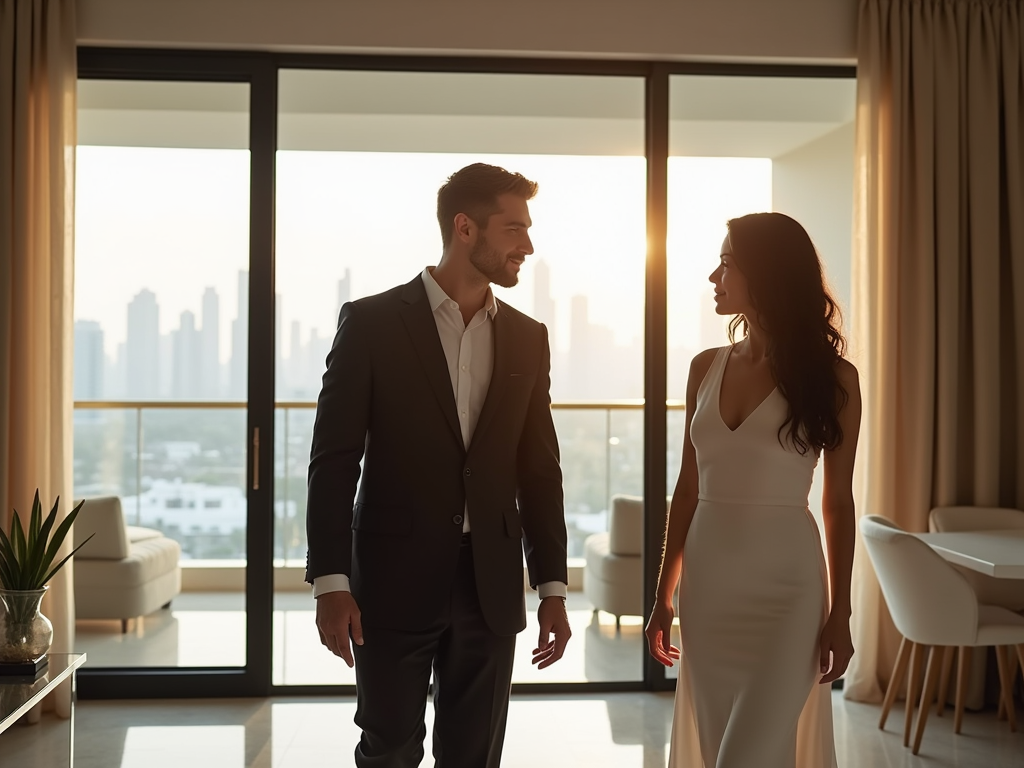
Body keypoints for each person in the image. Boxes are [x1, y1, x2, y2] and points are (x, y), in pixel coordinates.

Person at [305, 162, 571, 768]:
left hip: (491, 585)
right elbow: (334, 460)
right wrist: (331, 582)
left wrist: (551, 585)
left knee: (474, 755)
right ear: (465, 228)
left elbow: (539, 469)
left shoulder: (528, 337)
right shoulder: (372, 323)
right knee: (389, 748)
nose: (527, 244)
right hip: (391, 583)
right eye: (514, 228)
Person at [645, 212, 860, 768]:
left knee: (745, 756)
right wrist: (662, 599)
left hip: (789, 594)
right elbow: (687, 491)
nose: (714, 279)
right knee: (720, 749)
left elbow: (838, 503)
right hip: (710, 591)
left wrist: (841, 613)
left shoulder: (835, 379)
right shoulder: (703, 368)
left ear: (765, 274)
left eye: (725, 265)